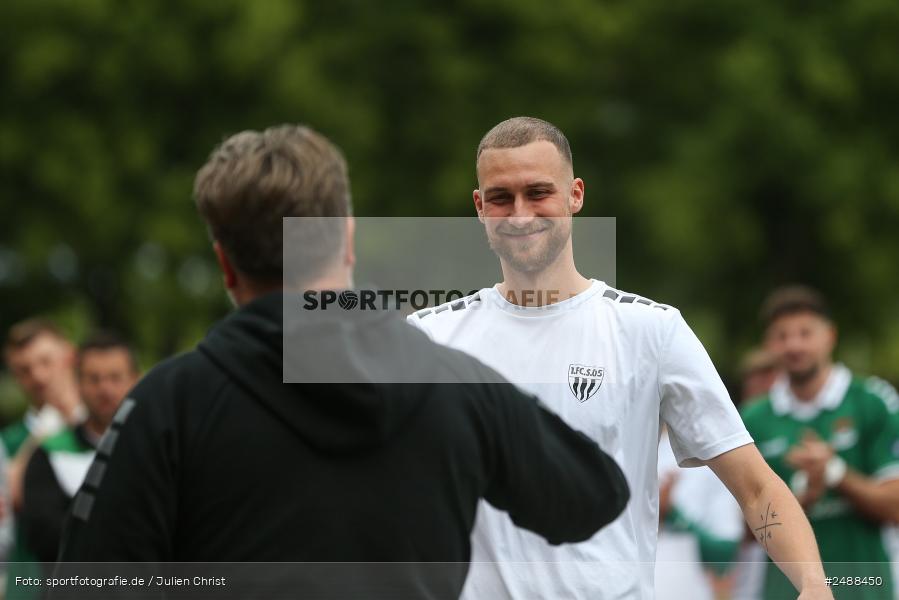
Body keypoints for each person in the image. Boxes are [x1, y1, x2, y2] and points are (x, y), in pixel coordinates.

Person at [56, 124, 629, 598]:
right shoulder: (459, 387)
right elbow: (591, 497)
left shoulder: (168, 405)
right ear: (347, 240)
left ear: (225, 265)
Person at [408, 116, 832, 599]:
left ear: (576, 195)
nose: (521, 214)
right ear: (480, 207)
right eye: (502, 197)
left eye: (539, 192)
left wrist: (815, 586)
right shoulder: (431, 336)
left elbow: (755, 488)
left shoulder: (650, 330)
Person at [741, 285, 899, 600]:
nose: (794, 345)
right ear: (769, 345)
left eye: (805, 333)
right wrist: (800, 498)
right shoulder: (752, 419)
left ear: (829, 335)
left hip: (864, 588)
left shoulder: (872, 401)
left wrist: (836, 474)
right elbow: (747, 531)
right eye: (782, 336)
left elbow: (894, 505)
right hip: (786, 591)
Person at [21, 332, 138, 568]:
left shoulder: (158, 449)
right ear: (78, 384)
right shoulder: (50, 454)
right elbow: (44, 538)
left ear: (136, 380)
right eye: (94, 379)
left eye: (115, 378)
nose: (105, 389)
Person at [3, 319, 84, 600]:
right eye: (24, 370)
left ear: (69, 357)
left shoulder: (106, 426)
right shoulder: (9, 442)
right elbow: (11, 499)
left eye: (46, 361)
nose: (38, 377)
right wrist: (45, 432)